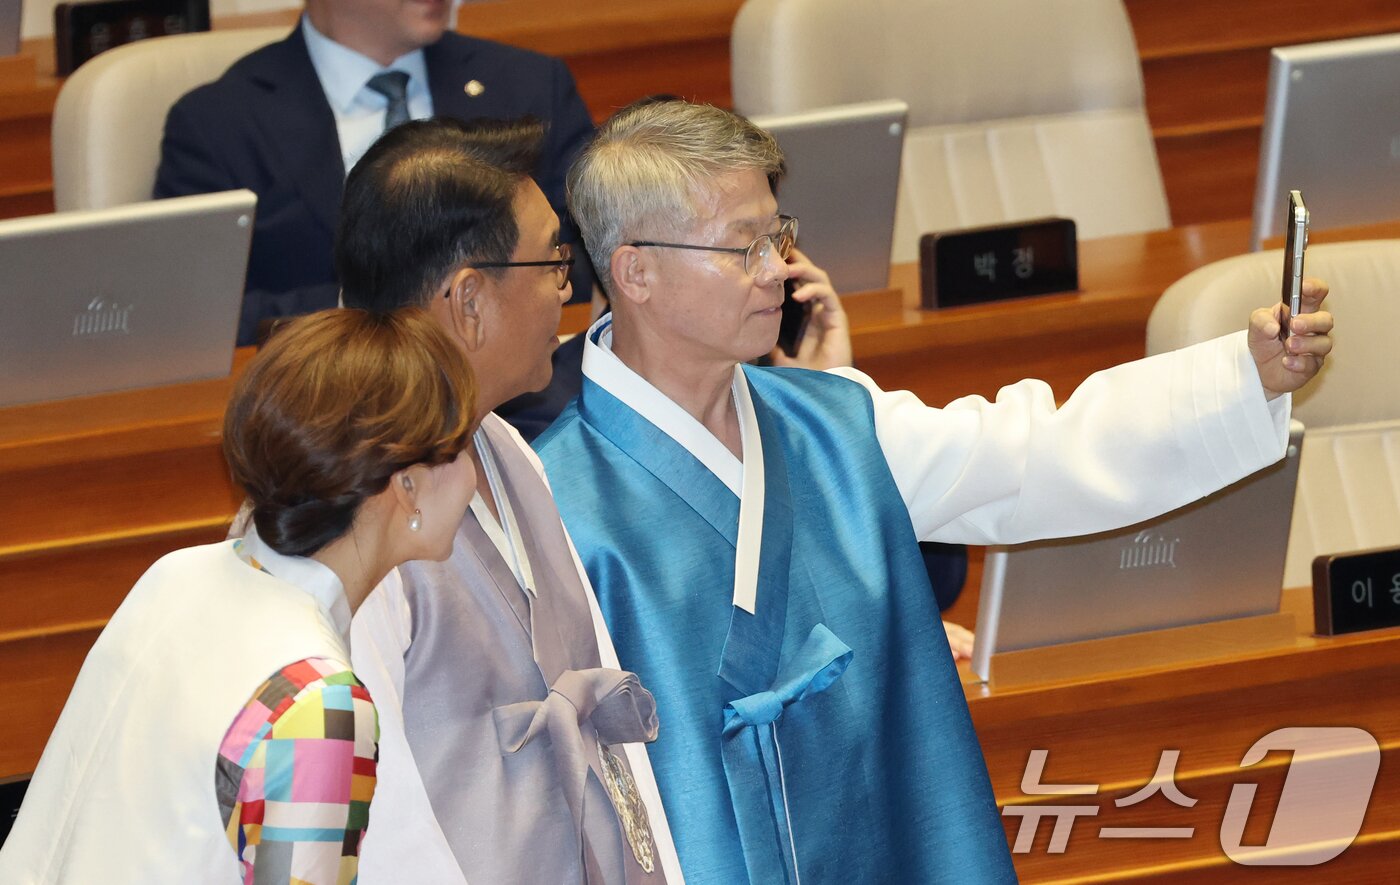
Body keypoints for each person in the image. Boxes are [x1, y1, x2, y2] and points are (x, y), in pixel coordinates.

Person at [533, 100, 1335, 883]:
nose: (778, 268)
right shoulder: (548, 492)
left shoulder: (836, 423)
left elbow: (1036, 453)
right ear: (635, 270)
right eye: (742, 246)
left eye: (777, 235)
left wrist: (1243, 376)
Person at [0, 309, 478, 884]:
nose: (474, 475)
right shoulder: (317, 701)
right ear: (406, 486)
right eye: (460, 448)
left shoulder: (176, 573)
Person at [334, 117, 681, 884]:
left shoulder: (509, 449)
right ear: (468, 301)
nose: (568, 287)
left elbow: (597, 696)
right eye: (553, 261)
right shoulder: (348, 506)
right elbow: (367, 813)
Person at [154, 0, 597, 346]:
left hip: (520, 396)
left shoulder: (531, 84)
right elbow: (196, 314)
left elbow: (591, 253)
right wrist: (379, 304)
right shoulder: (217, 123)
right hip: (331, 407)